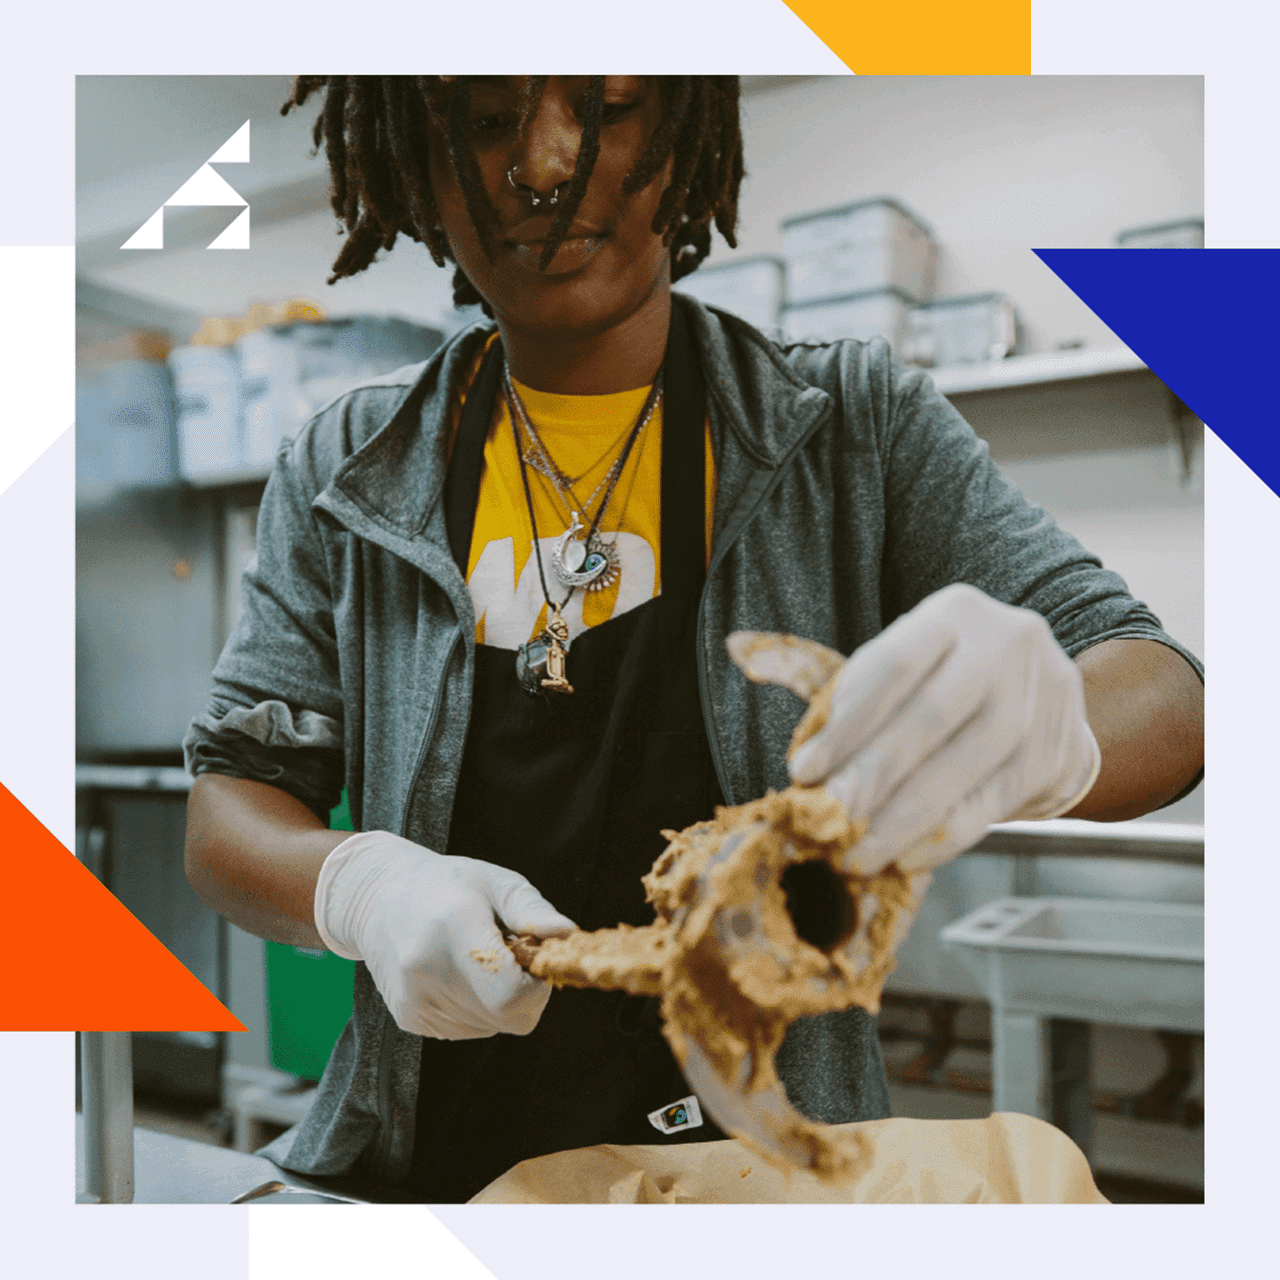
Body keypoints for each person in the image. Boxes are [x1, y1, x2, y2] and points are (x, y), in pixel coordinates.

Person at [183, 75, 1204, 1202]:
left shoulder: (848, 424)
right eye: (483, 122)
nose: (547, 163)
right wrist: (359, 886)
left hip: (765, 1182)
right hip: (430, 1177)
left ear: (688, 133)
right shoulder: (346, 466)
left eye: (611, 107)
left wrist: (1046, 727)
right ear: (418, 172)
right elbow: (230, 810)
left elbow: (1164, 697)